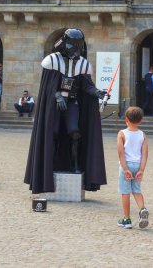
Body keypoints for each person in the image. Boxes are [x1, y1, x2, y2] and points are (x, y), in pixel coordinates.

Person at [24, 28, 108, 194]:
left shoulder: (83, 65)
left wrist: (97, 92)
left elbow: (86, 86)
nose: (74, 50)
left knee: (74, 132)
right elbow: (48, 88)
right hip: (54, 104)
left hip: (72, 103)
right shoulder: (52, 61)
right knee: (52, 132)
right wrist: (57, 96)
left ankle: (75, 164)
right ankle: (52, 164)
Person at [117, 106, 149, 229]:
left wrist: (125, 169)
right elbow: (145, 154)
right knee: (136, 190)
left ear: (126, 119)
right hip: (137, 165)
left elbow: (121, 153)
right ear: (141, 120)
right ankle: (142, 209)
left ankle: (126, 219)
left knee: (125, 192)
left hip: (126, 165)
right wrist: (141, 170)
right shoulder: (142, 135)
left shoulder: (122, 134)